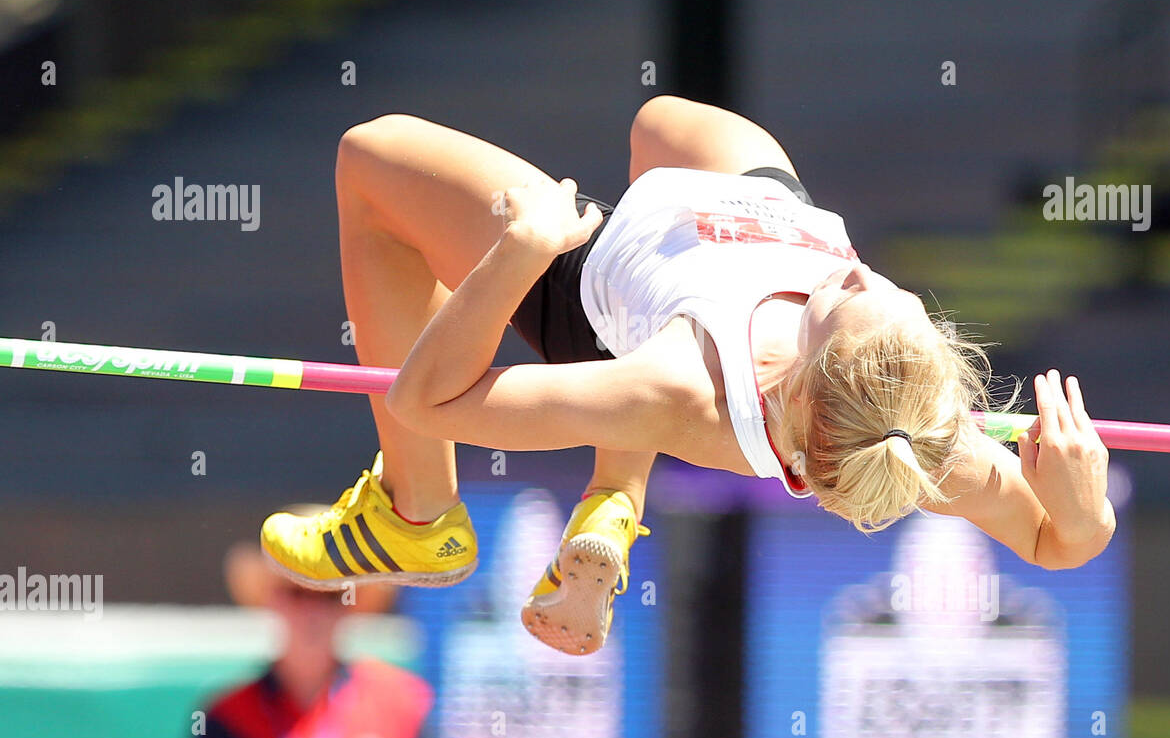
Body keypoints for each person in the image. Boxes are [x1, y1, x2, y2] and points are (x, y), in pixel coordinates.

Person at [260, 95, 1114, 657]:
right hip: (747, 216)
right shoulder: (921, 420)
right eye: (895, 300)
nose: (860, 274)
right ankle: (615, 499)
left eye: (850, 298)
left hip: (598, 274)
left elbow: (429, 398)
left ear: (804, 372)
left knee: (369, 159)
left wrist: (523, 248)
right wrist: (1083, 507)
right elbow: (1056, 540)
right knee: (661, 121)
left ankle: (415, 513)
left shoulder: (683, 384)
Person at [179, 528, 451, 738]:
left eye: (330, 596)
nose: (312, 611)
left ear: (351, 603)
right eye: (297, 593)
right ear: (272, 599)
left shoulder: (399, 705)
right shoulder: (228, 717)